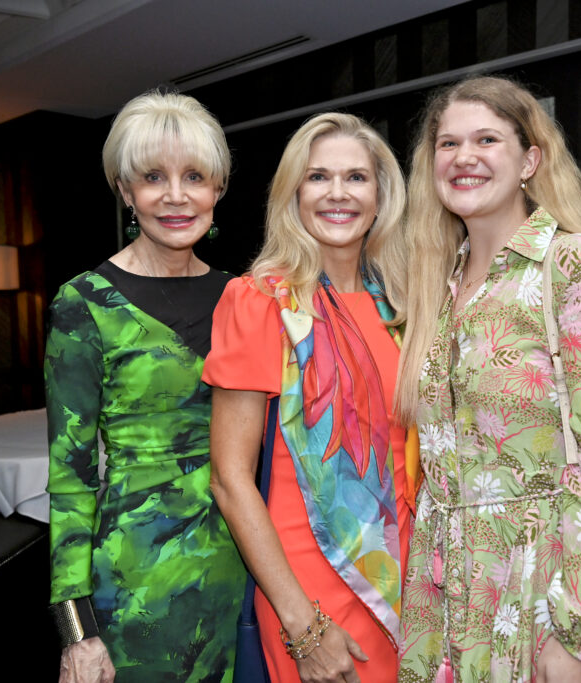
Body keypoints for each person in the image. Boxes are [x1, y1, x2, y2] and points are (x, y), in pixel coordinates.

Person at [395, 75, 581, 683]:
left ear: (529, 161)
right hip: (449, 595)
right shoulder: (437, 286)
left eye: (487, 139)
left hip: (546, 593)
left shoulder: (579, 266)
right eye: (448, 143)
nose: (464, 156)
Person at [203, 112, 414, 683]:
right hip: (309, 588)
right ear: (293, 194)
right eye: (318, 177)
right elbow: (229, 479)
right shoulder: (259, 301)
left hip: (414, 576)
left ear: (381, 194)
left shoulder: (402, 305)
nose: (337, 193)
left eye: (356, 177)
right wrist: (303, 625)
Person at [45, 90, 245, 682]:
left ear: (218, 189)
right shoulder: (83, 304)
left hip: (243, 567)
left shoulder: (244, 298)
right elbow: (69, 477)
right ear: (125, 191)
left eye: (194, 177)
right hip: (137, 582)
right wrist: (77, 632)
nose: (176, 195)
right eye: (153, 177)